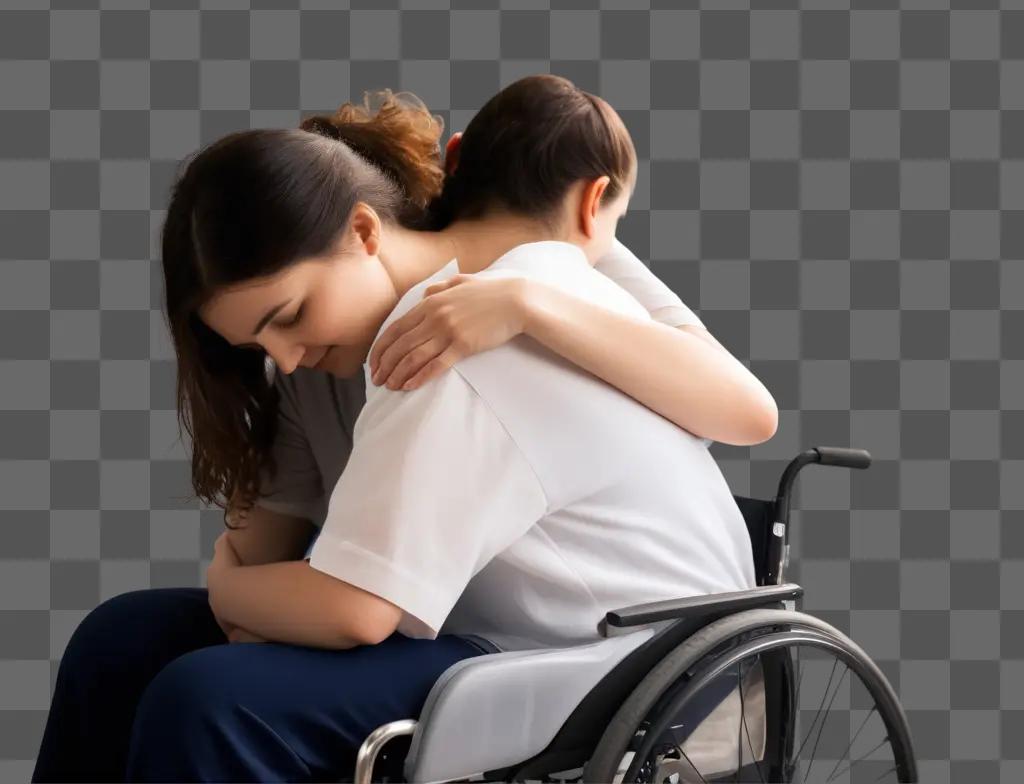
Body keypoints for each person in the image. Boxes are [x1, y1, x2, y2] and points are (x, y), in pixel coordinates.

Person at [31, 74, 777, 783]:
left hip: (593, 641)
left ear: (363, 230)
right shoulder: (315, 360)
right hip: (461, 616)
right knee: (119, 640)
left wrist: (228, 590)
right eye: (254, 344)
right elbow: (274, 552)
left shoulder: (475, 312)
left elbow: (353, 609)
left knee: (205, 698)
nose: (282, 359)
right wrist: (245, 576)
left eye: (289, 318)